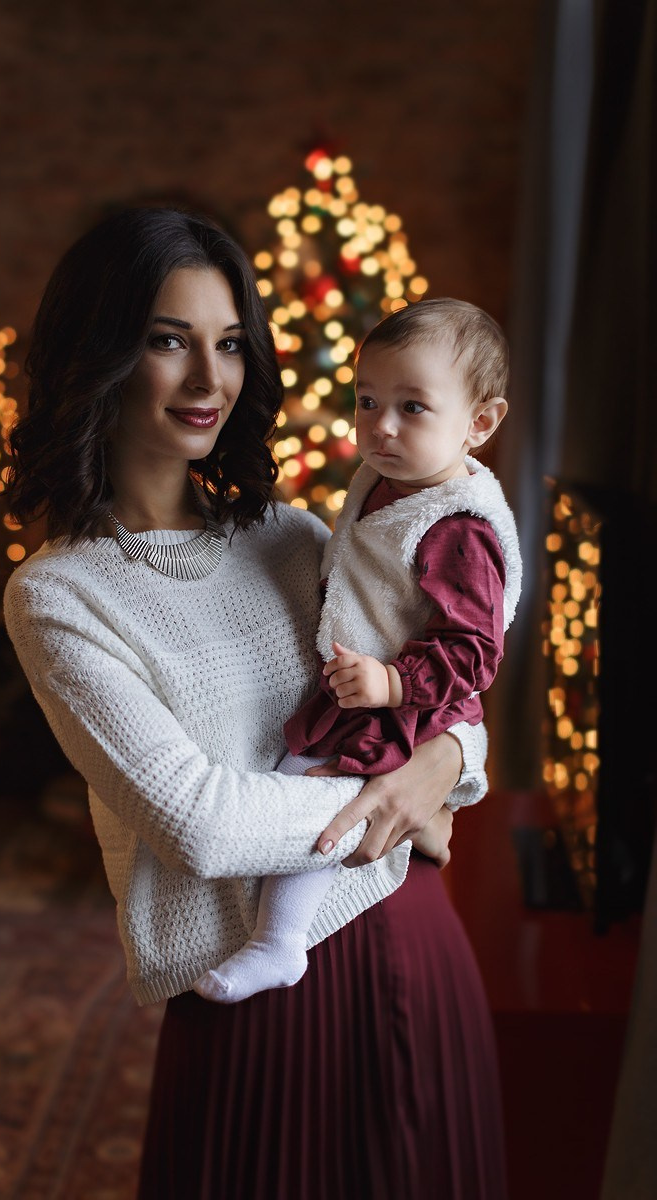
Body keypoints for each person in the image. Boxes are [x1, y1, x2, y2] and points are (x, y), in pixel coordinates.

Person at [3, 206, 508, 1199]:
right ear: (95, 354)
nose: (208, 381)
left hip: (408, 934)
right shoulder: (60, 595)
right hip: (253, 983)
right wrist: (406, 797)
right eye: (166, 341)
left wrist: (445, 765)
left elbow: (450, 694)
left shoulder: (294, 537)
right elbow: (201, 823)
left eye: (229, 344)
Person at [194, 298, 522, 1005]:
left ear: (481, 423)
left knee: (314, 788)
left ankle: (279, 943)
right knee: (299, 771)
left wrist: (393, 683)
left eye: (413, 407)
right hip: (371, 681)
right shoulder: (391, 481)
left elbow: (474, 652)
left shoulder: (459, 528)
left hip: (411, 701)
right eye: (367, 400)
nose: (381, 426)